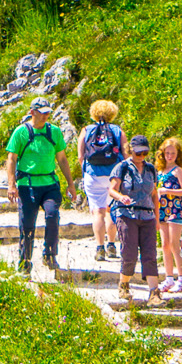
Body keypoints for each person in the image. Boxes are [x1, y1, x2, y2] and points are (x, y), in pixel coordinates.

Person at [4, 96, 74, 276]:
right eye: (41, 113)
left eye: (47, 113)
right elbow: (11, 158)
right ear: (32, 112)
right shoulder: (21, 132)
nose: (45, 116)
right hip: (27, 185)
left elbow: (62, 159)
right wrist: (11, 185)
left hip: (49, 184)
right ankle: (25, 261)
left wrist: (70, 184)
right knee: (27, 224)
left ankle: (49, 254)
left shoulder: (55, 132)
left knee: (52, 216)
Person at [109, 134, 162, 303]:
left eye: (145, 153)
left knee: (150, 253)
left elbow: (154, 194)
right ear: (130, 150)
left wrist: (157, 218)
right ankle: (124, 284)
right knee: (129, 251)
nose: (141, 157)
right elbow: (112, 190)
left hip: (147, 215)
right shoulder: (122, 167)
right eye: (138, 153)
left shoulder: (151, 169)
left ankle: (154, 292)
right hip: (126, 214)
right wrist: (120, 197)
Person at [78, 101, 126, 263]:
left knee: (98, 212)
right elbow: (126, 155)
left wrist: (87, 172)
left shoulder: (86, 130)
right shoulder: (118, 131)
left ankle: (100, 248)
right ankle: (112, 245)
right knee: (110, 210)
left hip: (93, 175)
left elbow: (80, 156)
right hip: (114, 176)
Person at [157, 137, 182, 295]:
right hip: (163, 209)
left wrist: (167, 191)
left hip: (176, 209)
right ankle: (169, 277)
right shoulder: (160, 171)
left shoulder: (178, 171)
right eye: (167, 153)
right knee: (165, 244)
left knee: (174, 244)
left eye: (173, 153)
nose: (169, 156)